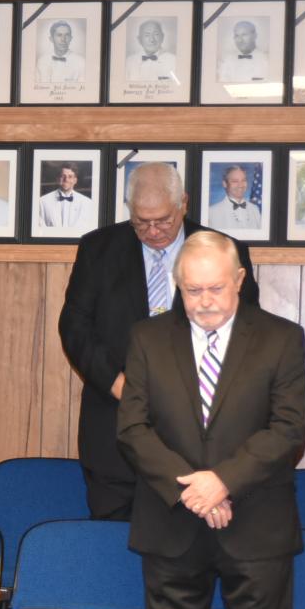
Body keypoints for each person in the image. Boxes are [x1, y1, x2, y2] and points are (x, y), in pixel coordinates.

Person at [117, 230, 305, 609]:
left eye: (215, 289)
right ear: (177, 286)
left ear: (240, 280)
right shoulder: (148, 338)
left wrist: (222, 481)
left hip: (257, 523)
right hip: (173, 521)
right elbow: (133, 429)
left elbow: (288, 430)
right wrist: (193, 491)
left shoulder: (281, 338)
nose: (203, 301)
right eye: (192, 290)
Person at [58, 162, 258, 520]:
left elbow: (245, 332)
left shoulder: (223, 251)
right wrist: (120, 386)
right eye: (141, 222)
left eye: (163, 220)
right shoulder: (98, 249)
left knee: (188, 547)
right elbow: (75, 328)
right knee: (112, 543)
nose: (152, 231)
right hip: (114, 435)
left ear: (183, 203)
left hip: (198, 439)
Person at [38, 163, 95, 229]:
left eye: (70, 177)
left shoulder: (87, 203)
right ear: (58, 179)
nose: (66, 180)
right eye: (63, 176)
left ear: (75, 180)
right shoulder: (42, 202)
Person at [207, 165, 263, 232]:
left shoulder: (255, 209)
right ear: (225, 184)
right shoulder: (211, 212)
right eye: (235, 181)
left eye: (243, 180)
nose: (240, 185)